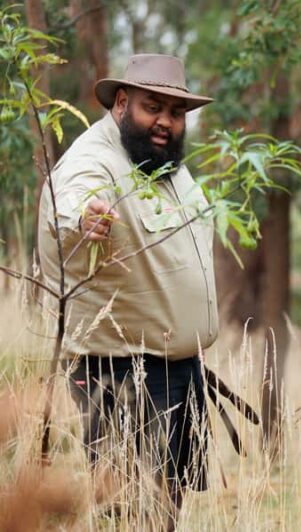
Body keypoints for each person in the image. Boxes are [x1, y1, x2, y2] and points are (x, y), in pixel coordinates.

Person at [36, 54, 217, 529]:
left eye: (176, 113)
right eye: (152, 107)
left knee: (164, 507)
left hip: (177, 367)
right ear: (121, 103)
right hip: (120, 371)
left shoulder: (163, 163)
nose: (165, 122)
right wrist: (82, 218)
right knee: (125, 508)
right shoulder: (95, 158)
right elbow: (69, 199)